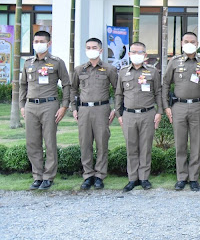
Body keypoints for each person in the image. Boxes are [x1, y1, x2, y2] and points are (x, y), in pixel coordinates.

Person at [19, 31, 70, 190]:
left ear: (49, 43)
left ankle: (48, 177)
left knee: (49, 142)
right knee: (32, 142)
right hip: (31, 106)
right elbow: (23, 85)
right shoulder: (28, 63)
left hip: (49, 105)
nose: (38, 44)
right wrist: (22, 105)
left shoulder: (57, 62)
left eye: (41, 41)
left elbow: (66, 84)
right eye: (36, 41)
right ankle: (37, 176)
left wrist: (64, 106)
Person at [163, 32, 200, 192]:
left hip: (198, 106)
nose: (189, 44)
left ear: (197, 43)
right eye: (186, 41)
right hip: (178, 106)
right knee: (180, 143)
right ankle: (181, 177)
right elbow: (165, 84)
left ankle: (194, 178)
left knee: (196, 143)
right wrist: (166, 106)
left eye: (192, 41)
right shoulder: (174, 62)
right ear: (181, 43)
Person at [115, 42, 163, 192]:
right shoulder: (123, 72)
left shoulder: (152, 72)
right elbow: (118, 94)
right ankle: (132, 178)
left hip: (147, 114)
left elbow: (158, 93)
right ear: (129, 54)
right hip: (128, 115)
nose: (136, 55)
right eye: (133, 52)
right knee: (131, 148)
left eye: (140, 52)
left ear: (145, 55)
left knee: (145, 147)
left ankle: (144, 178)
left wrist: (159, 112)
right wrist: (118, 114)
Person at [70, 38, 118, 190]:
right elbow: (73, 89)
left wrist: (115, 109)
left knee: (102, 143)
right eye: (88, 47)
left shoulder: (109, 69)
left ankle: (100, 176)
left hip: (101, 109)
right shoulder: (79, 69)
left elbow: (118, 90)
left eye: (94, 47)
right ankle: (88, 175)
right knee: (85, 143)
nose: (91, 50)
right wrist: (74, 108)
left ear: (101, 50)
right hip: (84, 110)